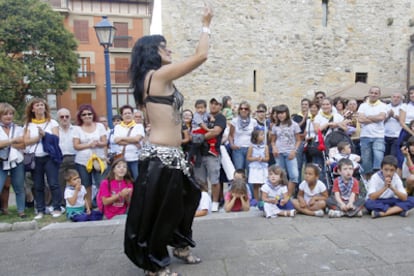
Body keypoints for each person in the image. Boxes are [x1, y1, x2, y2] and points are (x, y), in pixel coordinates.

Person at [124, 4, 213, 275]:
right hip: (162, 156)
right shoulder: (158, 75)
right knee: (162, 211)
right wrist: (206, 25)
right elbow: (201, 56)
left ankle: (181, 246)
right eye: (165, 47)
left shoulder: (149, 79)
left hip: (171, 155)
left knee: (188, 199)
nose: (169, 51)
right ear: (154, 53)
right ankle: (154, 265)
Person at [24, 98, 62, 219]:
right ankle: (40, 209)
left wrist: (45, 135)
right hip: (36, 158)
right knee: (38, 185)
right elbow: (26, 141)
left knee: (53, 183)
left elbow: (56, 138)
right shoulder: (28, 124)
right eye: (37, 105)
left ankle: (57, 207)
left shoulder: (52, 123)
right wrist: (38, 138)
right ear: (32, 109)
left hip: (50, 157)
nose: (40, 107)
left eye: (42, 105)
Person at [193, 98, 226, 212]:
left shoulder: (220, 118)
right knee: (201, 180)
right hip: (199, 153)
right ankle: (204, 202)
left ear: (220, 106)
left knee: (214, 180)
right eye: (212, 103)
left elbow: (215, 132)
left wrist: (199, 138)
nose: (213, 106)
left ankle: (215, 202)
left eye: (216, 104)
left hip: (212, 153)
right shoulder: (202, 116)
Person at [73, 104, 107, 209]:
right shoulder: (77, 129)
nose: (87, 116)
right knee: (86, 185)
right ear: (80, 116)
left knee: (101, 184)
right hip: (83, 161)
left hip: (98, 160)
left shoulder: (100, 126)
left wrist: (98, 143)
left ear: (93, 114)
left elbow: (105, 142)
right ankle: (89, 207)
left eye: (89, 114)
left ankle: (103, 206)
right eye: (84, 114)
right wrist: (88, 145)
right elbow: (76, 146)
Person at [0, 103, 26, 218]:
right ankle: (3, 209)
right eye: (5, 114)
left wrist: (8, 143)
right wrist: (13, 140)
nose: (8, 116)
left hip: (17, 160)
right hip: (1, 161)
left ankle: (21, 210)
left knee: (19, 186)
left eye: (10, 114)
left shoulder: (18, 128)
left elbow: (23, 144)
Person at [270, 104, 301, 197]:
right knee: (280, 176)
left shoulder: (294, 125)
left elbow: (299, 140)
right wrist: (274, 148)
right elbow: (273, 141)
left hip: (290, 152)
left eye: (282, 113)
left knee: (294, 175)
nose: (281, 115)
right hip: (279, 153)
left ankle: (289, 196)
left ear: (286, 113)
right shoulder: (275, 126)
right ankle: (280, 195)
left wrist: (294, 151)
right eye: (279, 113)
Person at [357, 86, 387, 180]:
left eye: (376, 93)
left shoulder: (383, 105)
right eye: (372, 92)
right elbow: (360, 119)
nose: (373, 95)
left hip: (378, 136)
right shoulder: (363, 105)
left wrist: (368, 116)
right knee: (366, 161)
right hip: (365, 136)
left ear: (379, 95)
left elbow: (381, 117)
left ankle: (379, 179)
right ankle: (367, 182)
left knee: (379, 159)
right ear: (369, 93)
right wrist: (375, 118)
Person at [113, 105, 145, 180]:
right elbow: (117, 141)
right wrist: (132, 140)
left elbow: (137, 139)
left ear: (132, 114)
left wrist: (122, 138)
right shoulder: (118, 127)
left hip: (136, 158)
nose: (127, 115)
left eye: (129, 113)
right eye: (125, 113)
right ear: (122, 115)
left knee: (137, 179)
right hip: (123, 159)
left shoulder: (139, 126)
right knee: (124, 179)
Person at [229, 100, 257, 171]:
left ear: (249, 110)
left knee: (250, 170)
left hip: (250, 149)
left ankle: (249, 182)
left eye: (246, 109)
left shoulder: (253, 121)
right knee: (239, 170)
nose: (243, 110)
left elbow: (255, 136)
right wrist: (232, 144)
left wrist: (255, 146)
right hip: (238, 148)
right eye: (241, 108)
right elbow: (230, 135)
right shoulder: (234, 121)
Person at [57, 108, 77, 206]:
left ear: (70, 117)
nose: (64, 119)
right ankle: (62, 203)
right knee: (60, 182)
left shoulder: (76, 129)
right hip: (60, 158)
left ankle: (77, 201)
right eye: (62, 117)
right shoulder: (55, 130)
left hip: (74, 157)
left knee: (76, 180)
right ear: (58, 118)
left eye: (67, 116)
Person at [246, 129, 269, 204]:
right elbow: (248, 157)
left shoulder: (265, 147)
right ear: (256, 137)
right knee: (256, 184)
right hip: (255, 167)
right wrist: (255, 158)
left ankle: (263, 199)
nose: (263, 136)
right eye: (261, 135)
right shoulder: (251, 147)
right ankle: (256, 200)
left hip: (263, 168)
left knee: (263, 183)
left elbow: (267, 158)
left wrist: (262, 159)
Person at [397, 86, 414, 169]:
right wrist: (412, 133)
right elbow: (402, 122)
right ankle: (400, 180)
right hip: (406, 132)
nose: (413, 95)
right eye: (411, 93)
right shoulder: (405, 106)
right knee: (402, 156)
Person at [384, 92, 403, 156]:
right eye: (394, 97)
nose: (396, 99)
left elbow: (404, 121)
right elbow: (381, 121)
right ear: (391, 98)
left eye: (398, 97)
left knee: (393, 156)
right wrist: (388, 116)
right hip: (385, 135)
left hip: (397, 136)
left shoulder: (403, 107)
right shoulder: (385, 107)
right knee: (385, 156)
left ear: (401, 99)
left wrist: (394, 116)